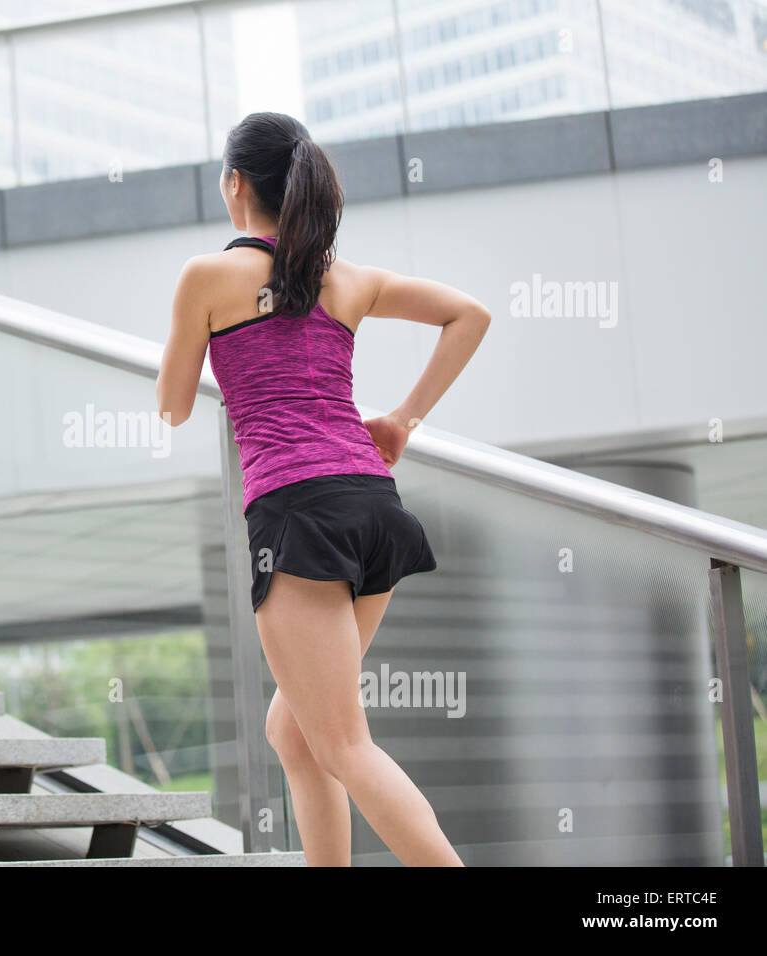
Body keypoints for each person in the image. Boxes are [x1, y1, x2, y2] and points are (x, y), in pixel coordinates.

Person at [156, 112, 490, 866]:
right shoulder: (342, 278)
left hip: (297, 512)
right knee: (295, 732)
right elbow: (470, 314)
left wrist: (203, 342)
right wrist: (402, 419)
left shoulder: (208, 277)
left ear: (235, 184)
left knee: (343, 743)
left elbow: (174, 405)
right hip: (373, 506)